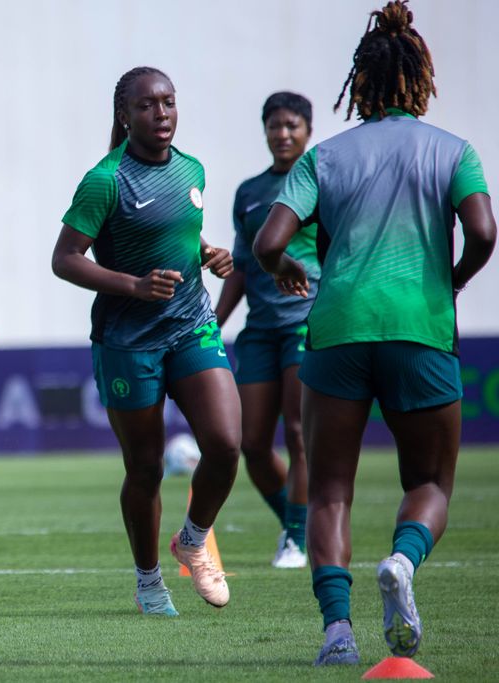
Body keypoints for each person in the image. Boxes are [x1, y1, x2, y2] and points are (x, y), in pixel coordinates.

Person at [254, 1, 495, 666]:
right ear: (421, 77)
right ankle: (402, 558)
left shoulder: (323, 156)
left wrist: (284, 271)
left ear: (360, 82)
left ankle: (337, 630)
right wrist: (455, 278)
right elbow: (483, 231)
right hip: (420, 327)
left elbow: (268, 239)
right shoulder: (454, 150)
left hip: (334, 330)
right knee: (431, 483)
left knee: (330, 489)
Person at [52, 66, 241, 616]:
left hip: (190, 325)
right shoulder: (105, 180)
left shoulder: (193, 169)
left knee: (227, 443)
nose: (160, 114)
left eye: (168, 103)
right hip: (128, 341)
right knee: (146, 469)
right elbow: (65, 259)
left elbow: (178, 231)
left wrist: (209, 253)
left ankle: (193, 539)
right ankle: (149, 579)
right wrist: (134, 285)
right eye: (146, 106)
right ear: (124, 115)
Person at [214, 92, 319, 569]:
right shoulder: (250, 192)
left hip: (307, 320)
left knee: (298, 432)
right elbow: (239, 266)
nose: (283, 134)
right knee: (251, 444)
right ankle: (296, 526)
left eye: (292, 125)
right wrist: (213, 322)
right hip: (259, 329)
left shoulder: (323, 182)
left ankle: (297, 539)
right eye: (275, 126)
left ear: (308, 130)